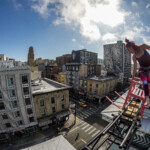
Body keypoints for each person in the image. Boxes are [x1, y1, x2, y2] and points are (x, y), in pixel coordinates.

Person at [125, 38, 150, 108]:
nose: (130, 52)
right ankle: (147, 98)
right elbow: (135, 68)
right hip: (142, 69)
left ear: (132, 46)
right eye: (128, 51)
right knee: (144, 80)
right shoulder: (134, 56)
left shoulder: (142, 46)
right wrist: (132, 77)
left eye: (129, 50)